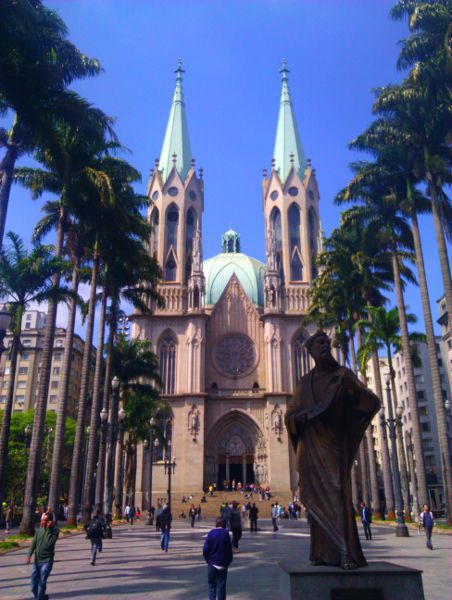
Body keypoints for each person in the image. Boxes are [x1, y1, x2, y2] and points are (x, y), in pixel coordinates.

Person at [285, 331, 380, 569]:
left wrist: (353, 390)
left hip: (333, 445)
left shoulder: (343, 375)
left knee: (337, 494)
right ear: (311, 351)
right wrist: (299, 417)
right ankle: (321, 553)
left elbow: (372, 402)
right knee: (316, 499)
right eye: (320, 343)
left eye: (327, 343)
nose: (325, 346)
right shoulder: (304, 382)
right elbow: (291, 412)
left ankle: (345, 551)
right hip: (312, 449)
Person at [26, 512, 59, 600]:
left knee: (42, 582)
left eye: (46, 520)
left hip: (47, 561)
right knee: (33, 586)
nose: (44, 522)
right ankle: (42, 597)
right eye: (43, 520)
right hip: (36, 561)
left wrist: (50, 528)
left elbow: (50, 543)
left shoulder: (54, 532)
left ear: (50, 521)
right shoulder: (39, 531)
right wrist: (29, 556)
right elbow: (33, 544)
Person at [203, 517, 233, 600]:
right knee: (221, 586)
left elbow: (205, 549)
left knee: (212, 586)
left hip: (212, 564)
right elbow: (229, 550)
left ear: (216, 524)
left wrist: (207, 560)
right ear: (224, 524)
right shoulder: (226, 534)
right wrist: (228, 562)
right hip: (223, 564)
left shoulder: (211, 533)